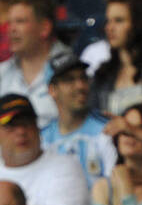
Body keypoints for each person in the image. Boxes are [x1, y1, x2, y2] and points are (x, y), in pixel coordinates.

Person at [0, 0, 76, 129]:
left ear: (44, 28)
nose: (11, 29)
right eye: (9, 23)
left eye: (20, 21)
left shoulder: (72, 72)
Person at [42, 56, 117, 187]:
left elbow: (113, 188)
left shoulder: (107, 129)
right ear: (52, 90)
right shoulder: (43, 138)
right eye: (70, 80)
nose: (80, 86)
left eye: (83, 78)